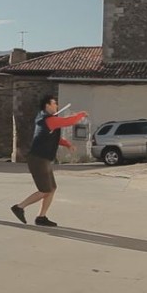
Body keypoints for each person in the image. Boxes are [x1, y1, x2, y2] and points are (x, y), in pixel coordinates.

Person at [10, 95, 87, 227]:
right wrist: (80, 115)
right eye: (54, 104)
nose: (56, 106)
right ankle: (19, 207)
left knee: (51, 188)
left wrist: (67, 144)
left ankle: (41, 217)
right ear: (47, 106)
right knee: (45, 190)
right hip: (38, 158)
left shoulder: (46, 120)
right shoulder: (48, 120)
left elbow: (53, 138)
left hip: (43, 158)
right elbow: (68, 121)